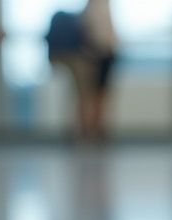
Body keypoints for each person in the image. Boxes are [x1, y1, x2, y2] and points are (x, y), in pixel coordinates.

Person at [47, 1, 118, 140]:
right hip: (96, 56)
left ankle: (94, 132)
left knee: (99, 97)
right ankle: (86, 132)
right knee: (87, 97)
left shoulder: (103, 6)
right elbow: (92, 33)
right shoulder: (91, 8)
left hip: (106, 54)